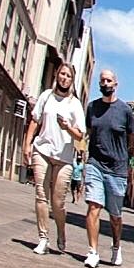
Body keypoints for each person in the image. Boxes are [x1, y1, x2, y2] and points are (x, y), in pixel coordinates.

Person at [21, 63, 85, 256]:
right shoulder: (46, 96)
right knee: (41, 195)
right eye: (62, 74)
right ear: (57, 75)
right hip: (42, 150)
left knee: (58, 203)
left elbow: (80, 135)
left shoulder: (74, 104)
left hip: (64, 158)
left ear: (72, 81)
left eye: (68, 76)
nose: (64, 78)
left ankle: (61, 232)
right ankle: (43, 238)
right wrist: (27, 144)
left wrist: (67, 128)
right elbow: (35, 119)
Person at [83, 69, 134, 268]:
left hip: (117, 168)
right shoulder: (92, 108)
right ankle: (93, 251)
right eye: (102, 80)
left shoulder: (125, 111)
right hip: (95, 164)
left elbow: (131, 138)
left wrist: (125, 158)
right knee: (93, 207)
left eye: (109, 80)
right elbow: (89, 132)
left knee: (115, 216)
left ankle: (116, 246)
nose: (105, 83)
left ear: (116, 84)